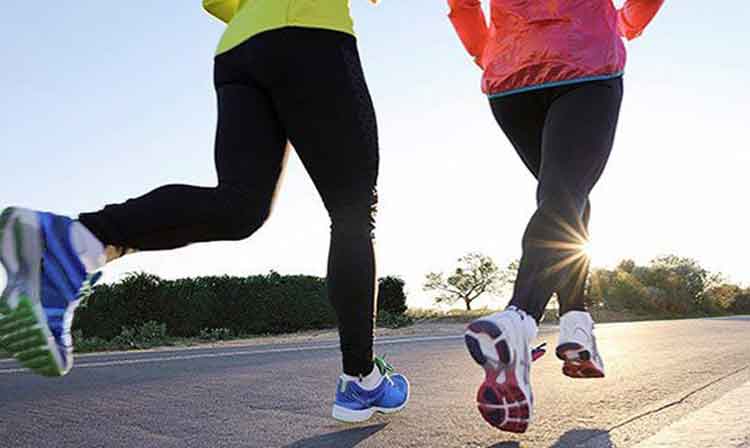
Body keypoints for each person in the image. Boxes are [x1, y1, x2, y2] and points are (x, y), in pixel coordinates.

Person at [0, 0, 408, 423]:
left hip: (239, 50)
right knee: (353, 213)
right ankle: (360, 378)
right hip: (310, 34)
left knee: (240, 207)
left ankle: (78, 241)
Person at [447, 0, 665, 433]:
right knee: (565, 194)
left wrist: (487, 50)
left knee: (564, 196)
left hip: (510, 78)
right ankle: (518, 321)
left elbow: (462, 4)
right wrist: (625, 23)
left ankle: (576, 325)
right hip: (585, 60)